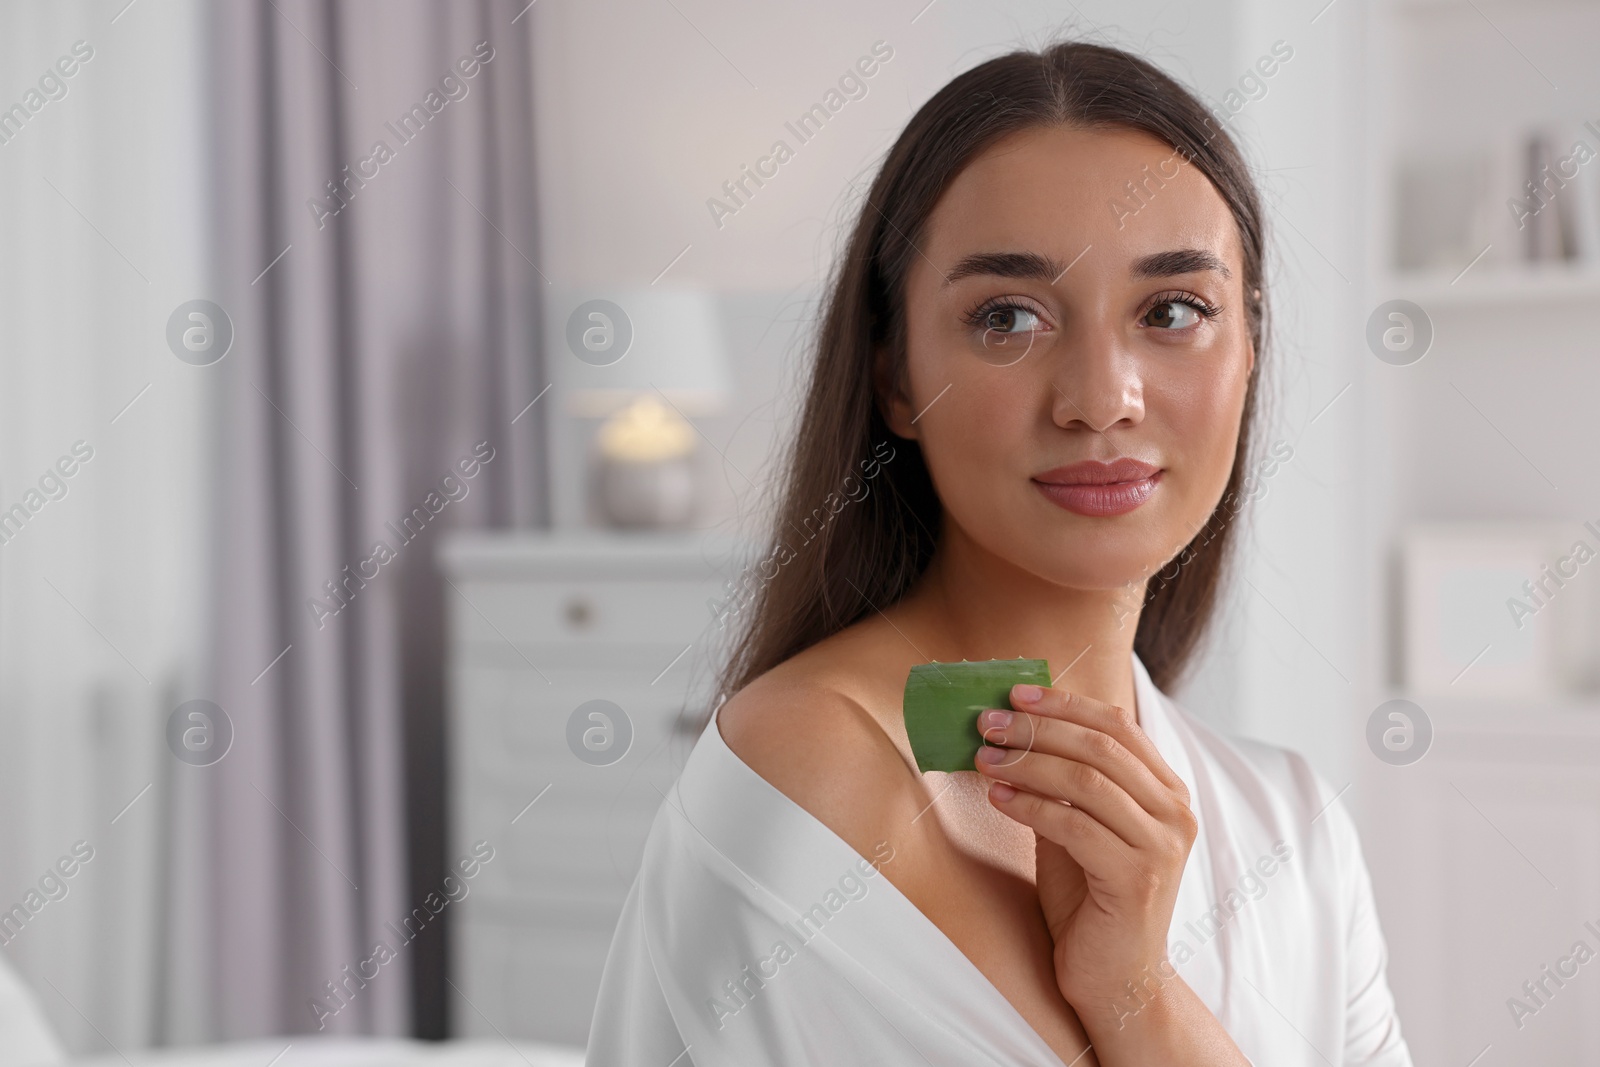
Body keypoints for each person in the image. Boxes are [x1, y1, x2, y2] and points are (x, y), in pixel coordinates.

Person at [585, 39, 1413, 1067]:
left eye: (1172, 311)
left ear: (1248, 349)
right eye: (1007, 317)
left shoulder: (1292, 827)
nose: (1101, 396)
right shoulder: (814, 766)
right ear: (894, 374)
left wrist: (1139, 1000)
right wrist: (1142, 1009)